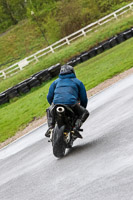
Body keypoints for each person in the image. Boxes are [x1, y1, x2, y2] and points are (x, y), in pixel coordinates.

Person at [45, 64, 89, 138]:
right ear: (72, 72)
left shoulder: (55, 82)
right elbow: (83, 98)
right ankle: (75, 128)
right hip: (71, 104)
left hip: (56, 104)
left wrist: (52, 104)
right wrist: (81, 108)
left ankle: (50, 127)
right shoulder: (78, 82)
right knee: (85, 113)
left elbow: (49, 97)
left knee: (49, 110)